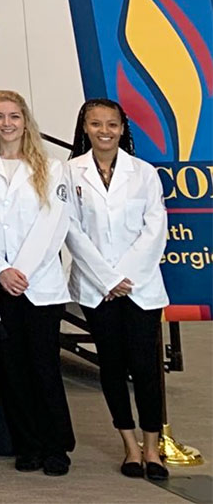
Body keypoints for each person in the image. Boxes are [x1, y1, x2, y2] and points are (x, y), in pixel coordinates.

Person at [64, 99, 170, 482]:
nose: (104, 130)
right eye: (95, 124)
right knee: (111, 366)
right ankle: (128, 445)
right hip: (97, 289)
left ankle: (153, 447)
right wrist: (107, 279)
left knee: (145, 367)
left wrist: (123, 276)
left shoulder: (144, 173)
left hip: (139, 286)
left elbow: (154, 229)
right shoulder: (69, 172)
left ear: (123, 128)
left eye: (112, 124)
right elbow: (71, 231)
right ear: (85, 128)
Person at [0, 90, 75, 476]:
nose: (7, 124)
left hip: (40, 284)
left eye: (14, 116)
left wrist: (21, 270)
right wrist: (1, 269)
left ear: (25, 120)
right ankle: (28, 444)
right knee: (12, 369)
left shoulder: (52, 168)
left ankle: (56, 445)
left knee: (44, 366)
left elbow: (54, 226)